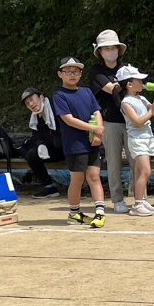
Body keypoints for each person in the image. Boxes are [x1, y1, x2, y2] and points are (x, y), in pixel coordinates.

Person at [52, 57, 106, 228]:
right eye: (68, 71)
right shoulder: (59, 95)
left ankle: (100, 212)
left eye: (75, 71)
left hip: (92, 142)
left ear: (81, 74)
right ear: (60, 74)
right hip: (74, 144)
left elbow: (96, 111)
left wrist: (98, 131)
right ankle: (74, 213)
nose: (72, 74)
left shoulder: (87, 92)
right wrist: (95, 129)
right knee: (78, 178)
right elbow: (68, 120)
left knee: (94, 176)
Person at [89, 29, 130, 212]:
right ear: (100, 52)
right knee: (114, 163)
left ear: (118, 50)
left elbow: (137, 87)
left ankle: (140, 198)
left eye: (113, 47)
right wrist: (127, 85)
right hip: (110, 121)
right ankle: (117, 200)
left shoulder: (127, 68)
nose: (111, 51)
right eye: (106, 48)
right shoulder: (97, 71)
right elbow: (112, 89)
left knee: (138, 160)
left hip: (131, 120)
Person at [117, 64, 154, 216]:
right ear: (129, 84)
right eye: (139, 80)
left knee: (140, 172)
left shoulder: (142, 98)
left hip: (147, 137)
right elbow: (138, 121)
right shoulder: (126, 102)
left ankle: (142, 201)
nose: (142, 82)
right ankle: (138, 204)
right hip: (137, 139)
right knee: (146, 171)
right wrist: (152, 110)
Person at [20, 87, 65, 198]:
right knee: (31, 154)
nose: (31, 104)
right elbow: (37, 136)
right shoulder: (36, 117)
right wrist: (41, 145)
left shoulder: (56, 107)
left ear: (41, 97)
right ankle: (49, 187)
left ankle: (80, 187)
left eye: (32, 99)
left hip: (68, 146)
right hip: (54, 149)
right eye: (27, 103)